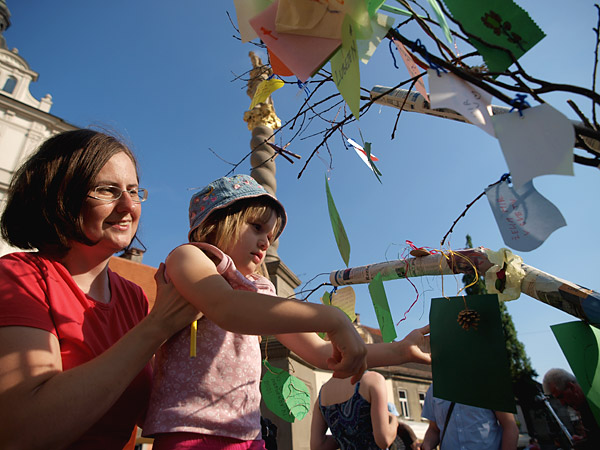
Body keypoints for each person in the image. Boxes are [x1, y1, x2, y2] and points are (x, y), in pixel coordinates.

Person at [142, 174, 432, 450]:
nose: (266, 241)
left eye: (270, 234)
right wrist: (332, 318)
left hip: (248, 434)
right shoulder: (189, 256)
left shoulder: (259, 290)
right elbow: (225, 307)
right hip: (190, 431)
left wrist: (400, 351)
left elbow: (321, 352)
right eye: (256, 227)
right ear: (214, 223)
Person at [0, 129, 202, 449]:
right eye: (107, 190)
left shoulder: (134, 296)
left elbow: (151, 414)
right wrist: (157, 326)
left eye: (134, 191)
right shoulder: (18, 277)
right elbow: (23, 432)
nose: (127, 205)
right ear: (62, 196)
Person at [310, 371, 398, 450]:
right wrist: (394, 420)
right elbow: (383, 440)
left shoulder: (323, 393)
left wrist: (344, 436)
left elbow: (318, 446)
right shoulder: (373, 380)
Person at [419, 384, 519, 450]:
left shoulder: (488, 381)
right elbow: (434, 430)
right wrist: (426, 445)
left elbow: (510, 426)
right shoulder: (434, 388)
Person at [543, 368, 600, 448]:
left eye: (561, 396)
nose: (562, 403)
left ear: (571, 387)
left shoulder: (594, 403)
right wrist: (586, 439)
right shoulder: (584, 409)